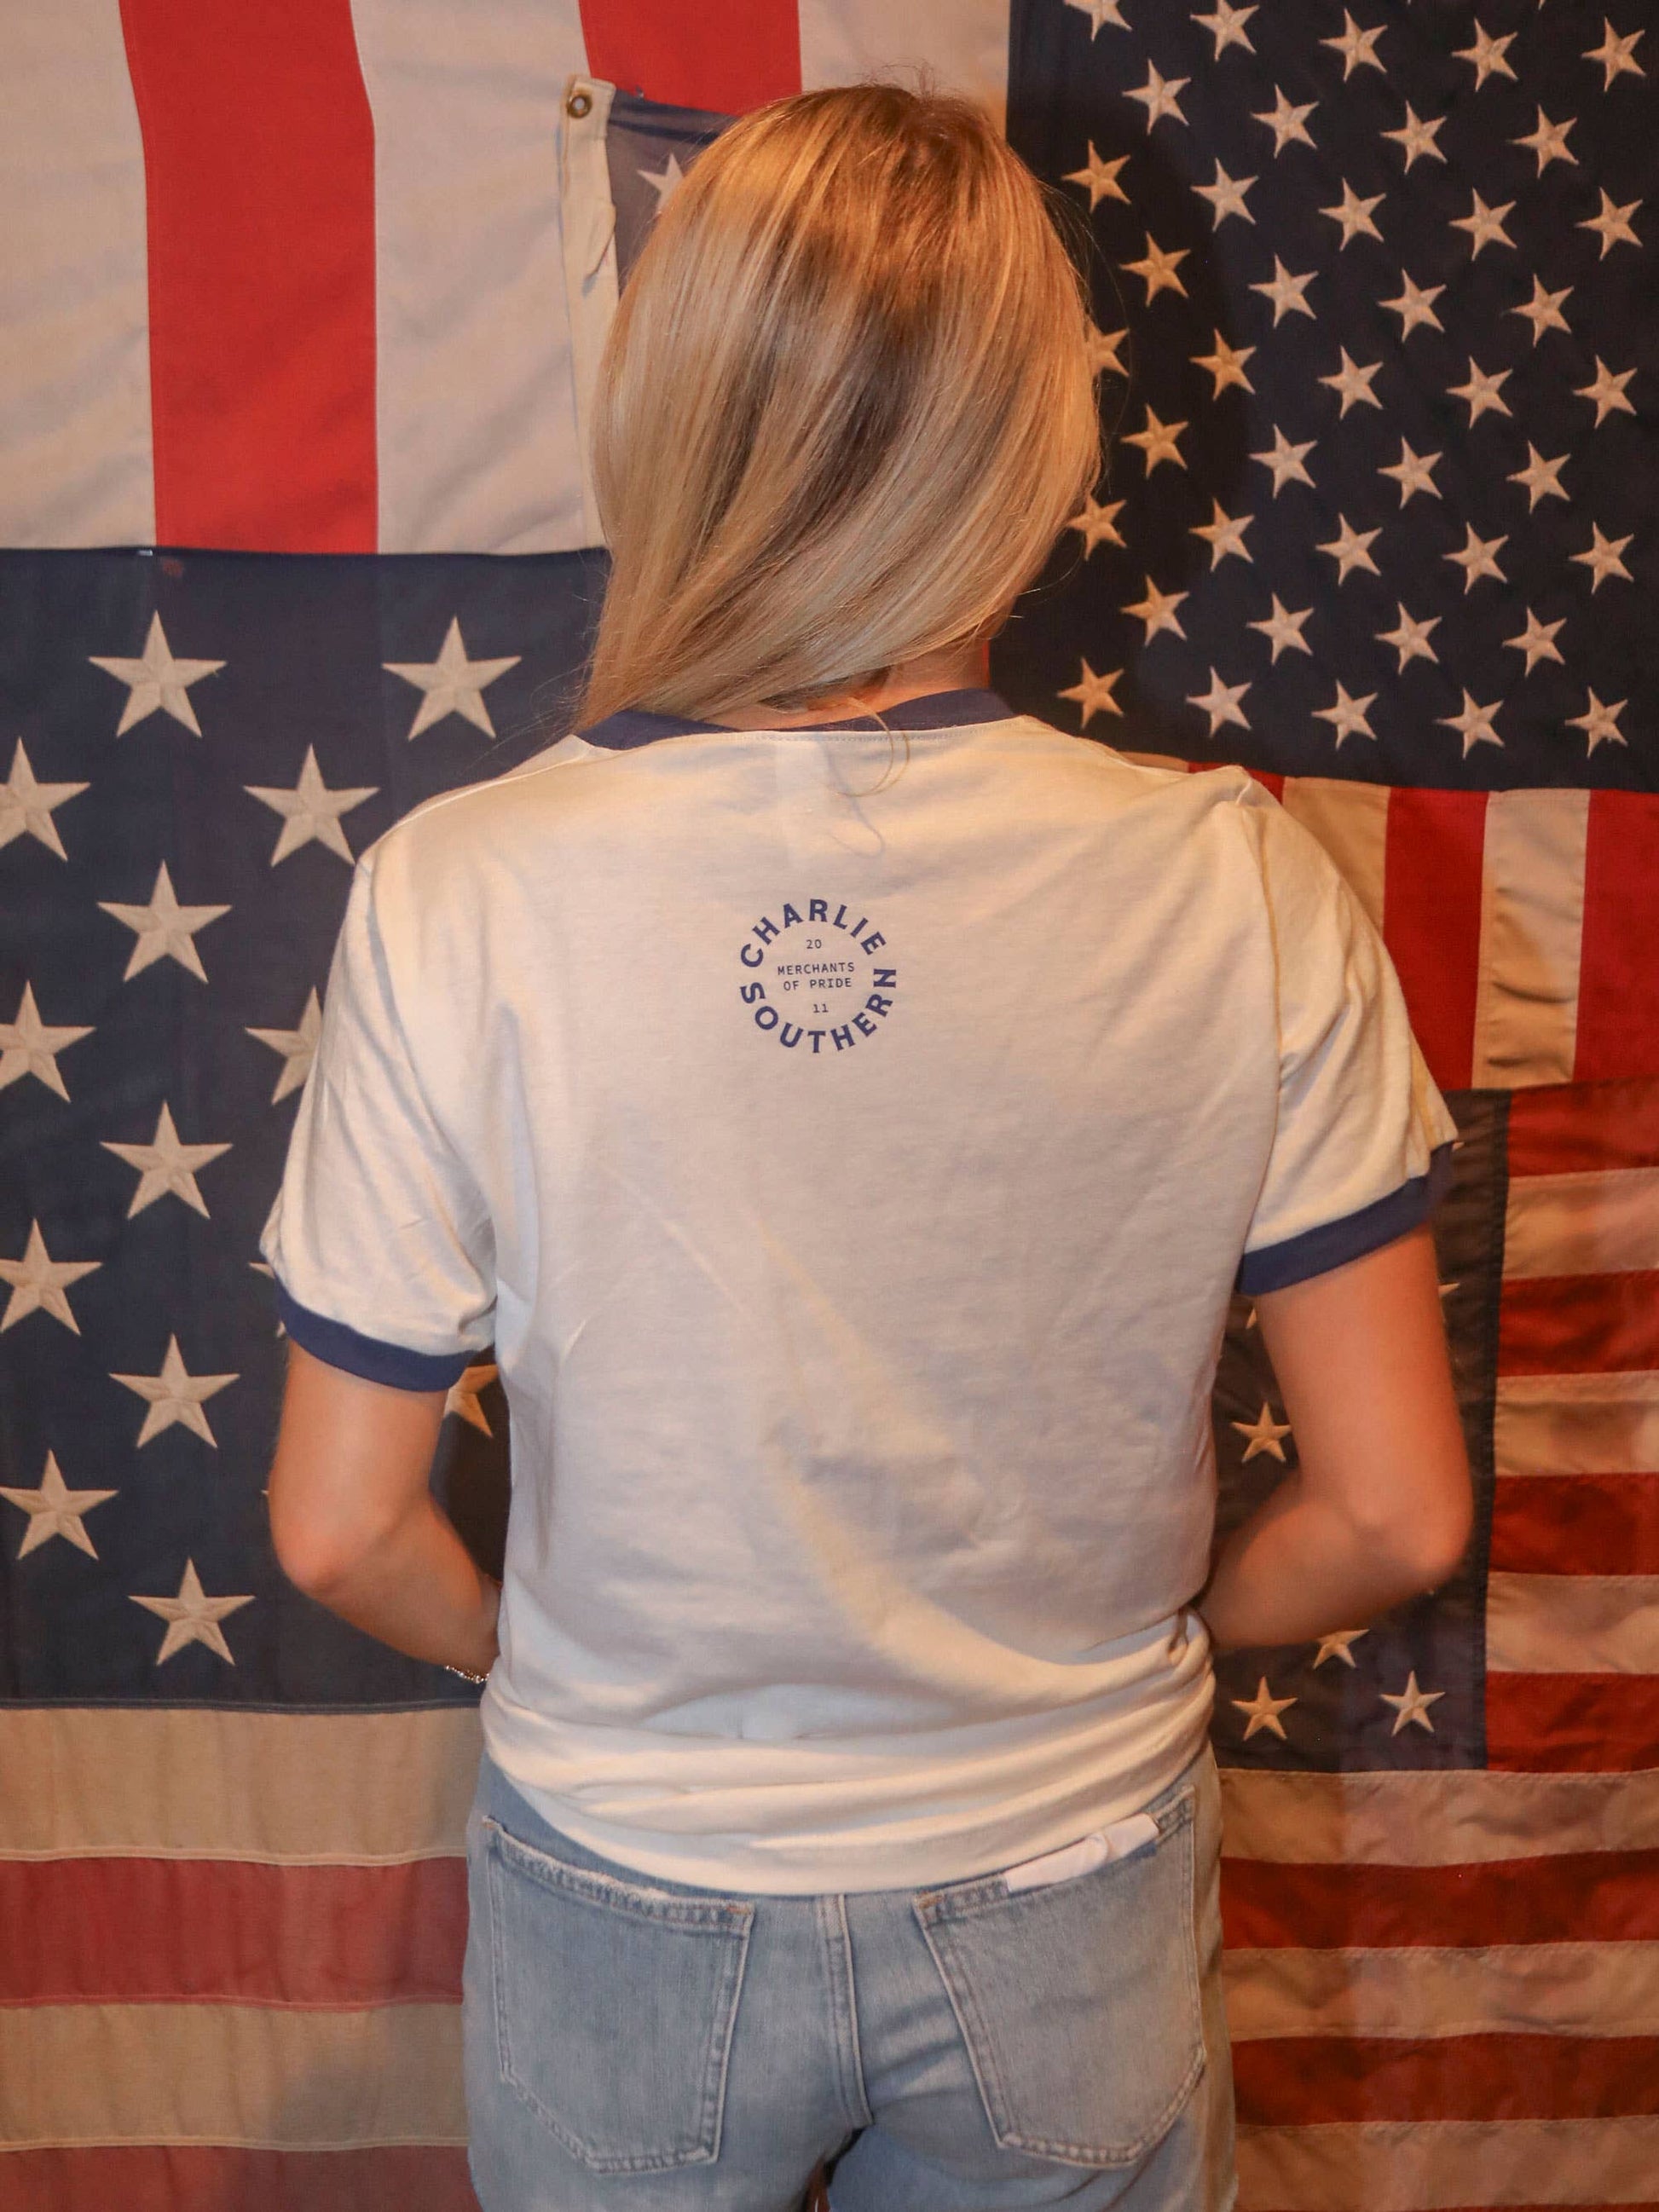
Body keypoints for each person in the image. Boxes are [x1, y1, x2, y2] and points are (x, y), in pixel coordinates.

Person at [261, 82, 1473, 2212]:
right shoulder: (1231, 882)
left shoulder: (467, 885)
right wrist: (1137, 1636)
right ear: (1042, 448)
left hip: (626, 1869)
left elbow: (343, 1527)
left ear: (670, 420)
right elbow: (1387, 1511)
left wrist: (544, 1668)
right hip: (1069, 1868)